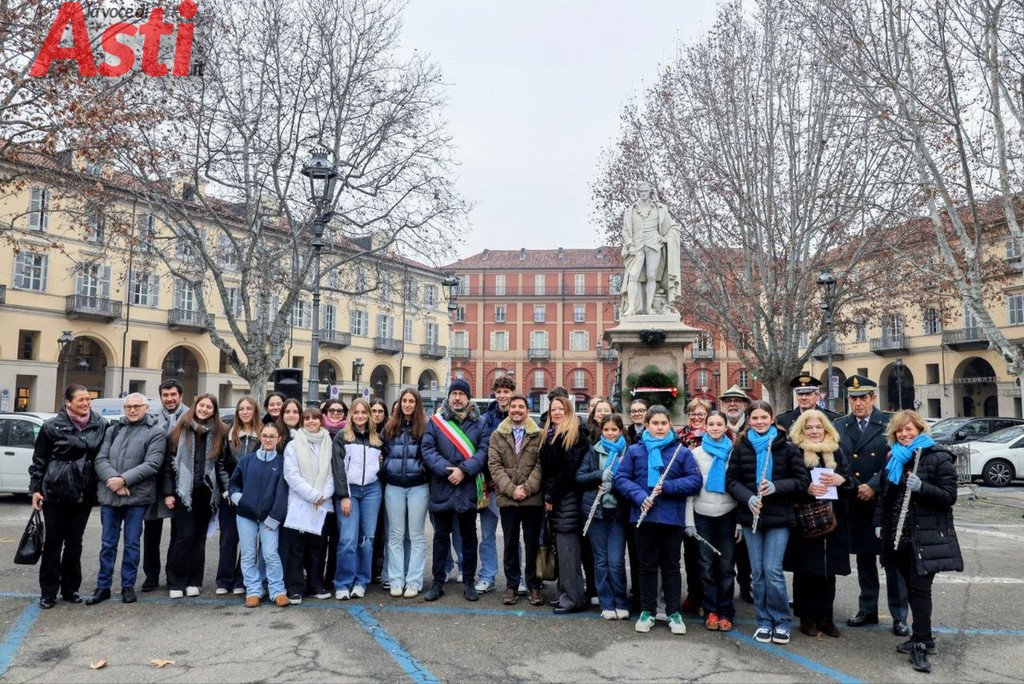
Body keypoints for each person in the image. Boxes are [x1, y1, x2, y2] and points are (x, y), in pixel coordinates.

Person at [875, 410, 963, 673]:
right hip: (897, 535)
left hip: (923, 537)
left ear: (920, 430)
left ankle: (921, 643)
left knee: (921, 589)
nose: (904, 434)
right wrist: (879, 523)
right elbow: (884, 495)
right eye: (900, 430)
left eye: (909, 429)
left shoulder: (938, 457)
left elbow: (949, 496)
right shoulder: (894, 458)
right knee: (912, 590)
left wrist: (922, 487)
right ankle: (922, 637)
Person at [726, 400, 809, 645]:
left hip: (779, 517)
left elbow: (802, 481)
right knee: (758, 573)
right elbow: (731, 481)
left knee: (772, 571)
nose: (759, 422)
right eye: (755, 418)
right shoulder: (741, 446)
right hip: (751, 515)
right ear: (749, 421)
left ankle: (781, 621)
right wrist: (748, 497)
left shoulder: (788, 447)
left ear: (772, 419)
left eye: (764, 417)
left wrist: (776, 487)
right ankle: (764, 620)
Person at [615, 405, 702, 635]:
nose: (660, 427)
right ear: (647, 425)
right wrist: (639, 496)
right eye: (655, 423)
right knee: (646, 567)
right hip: (643, 517)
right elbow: (621, 478)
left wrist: (669, 487)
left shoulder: (681, 451)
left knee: (671, 567)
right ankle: (648, 610)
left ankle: (673, 612)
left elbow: (695, 481)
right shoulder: (635, 451)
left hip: (671, 519)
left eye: (664, 423)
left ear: (670, 425)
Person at [835, 375, 909, 636]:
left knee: (893, 561)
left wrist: (873, 485)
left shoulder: (891, 422)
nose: (858, 403)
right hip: (856, 500)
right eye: (853, 398)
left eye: (863, 398)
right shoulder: (840, 425)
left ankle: (899, 616)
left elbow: (900, 458)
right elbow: (839, 461)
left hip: (885, 499)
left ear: (873, 398)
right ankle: (867, 609)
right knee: (865, 559)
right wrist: (856, 486)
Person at [29, 384, 107, 609]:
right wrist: (35, 489)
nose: (86, 403)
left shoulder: (100, 424)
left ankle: (71, 588)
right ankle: (48, 591)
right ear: (68, 403)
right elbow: (40, 459)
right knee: (54, 542)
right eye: (81, 400)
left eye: (88, 399)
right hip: (56, 491)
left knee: (75, 542)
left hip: (84, 491)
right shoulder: (52, 426)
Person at [85, 393, 166, 606]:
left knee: (132, 544)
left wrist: (123, 480)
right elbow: (100, 459)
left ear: (146, 408)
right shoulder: (113, 430)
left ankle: (128, 586)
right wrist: (113, 481)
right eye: (128, 406)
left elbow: (152, 464)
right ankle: (103, 586)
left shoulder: (156, 432)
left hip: (136, 499)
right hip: (110, 495)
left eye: (137, 406)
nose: (132, 410)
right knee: (107, 544)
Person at [784, 410, 853, 638]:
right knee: (805, 571)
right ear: (801, 430)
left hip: (833, 519)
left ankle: (826, 618)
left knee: (828, 572)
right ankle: (806, 617)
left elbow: (851, 480)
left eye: (818, 427)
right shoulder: (794, 451)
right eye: (809, 428)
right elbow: (787, 482)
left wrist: (842, 479)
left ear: (826, 429)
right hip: (805, 519)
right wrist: (806, 489)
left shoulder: (836, 450)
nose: (814, 431)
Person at [422, 379, 489, 601]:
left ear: (468, 398)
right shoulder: (436, 422)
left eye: (461, 394)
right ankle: (438, 582)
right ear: (449, 397)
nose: (457, 398)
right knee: (440, 537)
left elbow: (483, 451)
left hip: (467, 488)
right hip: (443, 486)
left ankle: (469, 581)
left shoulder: (480, 423)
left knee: (469, 536)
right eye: (454, 394)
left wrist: (464, 471)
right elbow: (428, 449)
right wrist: (447, 471)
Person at [162, 393, 231, 598]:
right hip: (183, 492)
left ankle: (194, 581)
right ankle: (176, 582)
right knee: (183, 537)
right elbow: (169, 465)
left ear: (214, 411)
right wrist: (168, 493)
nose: (204, 409)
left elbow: (221, 464)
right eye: (202, 405)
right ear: (195, 406)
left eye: (209, 407)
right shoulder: (179, 430)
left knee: (199, 539)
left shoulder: (220, 432)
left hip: (207, 494)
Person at [488, 395, 545, 607]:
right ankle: (512, 586)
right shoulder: (497, 435)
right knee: (510, 543)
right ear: (509, 410)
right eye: (514, 407)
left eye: (521, 406)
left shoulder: (539, 435)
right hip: (508, 499)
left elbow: (540, 465)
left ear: (527, 411)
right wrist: (512, 490)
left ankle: (534, 585)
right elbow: (494, 465)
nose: (517, 410)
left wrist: (526, 489)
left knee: (532, 545)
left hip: (532, 500)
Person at [228, 422, 291, 608]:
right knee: (248, 555)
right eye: (265, 436)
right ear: (260, 437)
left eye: (272, 436)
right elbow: (233, 483)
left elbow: (283, 493)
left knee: (270, 554)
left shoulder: (282, 462)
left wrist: (275, 517)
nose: (268, 440)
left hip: (269, 518)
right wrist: (240, 499)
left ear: (279, 439)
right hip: (245, 515)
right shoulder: (247, 460)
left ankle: (277, 590)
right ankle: (253, 590)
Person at [685, 410, 737, 632]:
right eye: (711, 424)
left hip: (728, 514)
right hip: (702, 515)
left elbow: (739, 487)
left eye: (719, 424)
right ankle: (710, 611)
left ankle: (725, 610)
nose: (715, 428)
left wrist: (740, 523)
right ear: (705, 427)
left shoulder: (734, 452)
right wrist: (689, 521)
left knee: (726, 566)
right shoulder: (696, 453)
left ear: (725, 427)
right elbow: (690, 490)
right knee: (706, 566)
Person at [576, 414, 630, 620]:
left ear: (620, 431)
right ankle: (606, 603)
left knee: (616, 561)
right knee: (601, 560)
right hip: (596, 512)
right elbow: (579, 477)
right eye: (606, 430)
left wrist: (614, 485)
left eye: (614, 430)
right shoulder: (593, 451)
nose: (610, 433)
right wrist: (599, 475)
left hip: (618, 513)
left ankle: (621, 601)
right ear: (601, 431)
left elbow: (633, 479)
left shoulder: (628, 452)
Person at [540, 395, 590, 614]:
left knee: (569, 551)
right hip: (557, 497)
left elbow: (569, 470)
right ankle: (565, 594)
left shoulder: (575, 435)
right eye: (553, 409)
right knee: (562, 550)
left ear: (569, 411)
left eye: (561, 409)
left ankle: (574, 598)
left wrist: (552, 495)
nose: (557, 413)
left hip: (567, 498)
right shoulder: (551, 434)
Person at [280, 407, 334, 603]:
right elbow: (291, 475)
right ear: (302, 422)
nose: (311, 421)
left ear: (321, 421)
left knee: (318, 548)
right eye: (307, 418)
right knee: (295, 549)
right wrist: (313, 495)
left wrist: (324, 495)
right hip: (300, 503)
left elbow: (333, 473)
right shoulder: (293, 445)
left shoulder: (329, 443)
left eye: (315, 418)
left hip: (322, 504)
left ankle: (315, 585)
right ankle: (295, 588)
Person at [332, 399, 382, 600]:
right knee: (348, 539)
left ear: (369, 415)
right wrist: (344, 495)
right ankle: (343, 583)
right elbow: (338, 468)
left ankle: (361, 581)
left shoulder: (377, 439)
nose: (360, 416)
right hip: (349, 491)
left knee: (367, 540)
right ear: (351, 415)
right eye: (356, 412)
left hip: (372, 491)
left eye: (364, 412)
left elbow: (383, 464)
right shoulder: (342, 437)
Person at [381, 389, 429, 598]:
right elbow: (382, 452)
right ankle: (396, 580)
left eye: (411, 401)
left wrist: (422, 470)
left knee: (416, 535)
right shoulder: (389, 427)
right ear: (399, 403)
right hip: (394, 486)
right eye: (404, 401)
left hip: (418, 486)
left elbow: (429, 454)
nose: (407, 404)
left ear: (417, 404)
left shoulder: (425, 428)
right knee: (395, 535)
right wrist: (386, 467)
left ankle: (414, 581)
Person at [142, 379, 188, 592]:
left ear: (181, 396)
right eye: (165, 395)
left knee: (178, 534)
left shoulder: (191, 416)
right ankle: (151, 576)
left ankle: (173, 574)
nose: (169, 399)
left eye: (173, 395)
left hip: (182, 483)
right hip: (154, 481)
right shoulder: (150, 417)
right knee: (152, 532)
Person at [474, 375, 517, 595]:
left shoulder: (519, 417)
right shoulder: (485, 420)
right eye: (499, 392)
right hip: (488, 487)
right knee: (487, 535)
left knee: (512, 535)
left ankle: (516, 578)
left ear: (513, 393)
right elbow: (481, 451)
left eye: (506, 392)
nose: (502, 396)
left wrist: (505, 480)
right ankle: (487, 576)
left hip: (510, 487)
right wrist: (487, 477)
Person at [217, 395, 261, 596]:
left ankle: (242, 579)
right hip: (230, 496)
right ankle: (224, 580)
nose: (245, 412)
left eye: (248, 408)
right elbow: (221, 464)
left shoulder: (262, 435)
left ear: (255, 411)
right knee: (228, 539)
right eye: (241, 409)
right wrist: (228, 490)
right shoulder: (229, 434)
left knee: (249, 542)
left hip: (252, 497)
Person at [621, 181, 682, 316]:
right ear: (638, 193)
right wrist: (630, 244)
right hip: (636, 246)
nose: (644, 194)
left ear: (650, 193)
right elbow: (625, 231)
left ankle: (649, 308)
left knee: (652, 275)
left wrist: (666, 238)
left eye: (646, 191)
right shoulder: (630, 211)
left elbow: (673, 227)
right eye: (641, 191)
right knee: (633, 275)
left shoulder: (660, 209)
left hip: (654, 244)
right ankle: (631, 308)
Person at [719, 384, 753, 604]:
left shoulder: (751, 429)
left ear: (745, 405)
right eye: (728, 401)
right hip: (720, 497)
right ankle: (724, 590)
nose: (732, 404)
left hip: (744, 494)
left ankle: (746, 586)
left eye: (737, 401)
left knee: (746, 548)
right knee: (725, 549)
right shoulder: (716, 427)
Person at [677, 397, 710, 614]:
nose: (697, 417)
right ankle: (693, 593)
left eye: (701, 413)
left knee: (704, 552)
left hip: (708, 496)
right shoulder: (680, 437)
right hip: (685, 496)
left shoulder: (715, 434)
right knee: (689, 551)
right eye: (693, 413)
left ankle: (708, 596)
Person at [318, 399, 347, 591]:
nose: (335, 413)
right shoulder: (319, 433)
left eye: (339, 410)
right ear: (325, 413)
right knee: (320, 540)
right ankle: (316, 579)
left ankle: (332, 578)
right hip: (321, 494)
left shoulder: (348, 433)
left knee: (338, 539)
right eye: (331, 410)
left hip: (342, 492)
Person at [369, 398, 390, 587]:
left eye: (380, 411)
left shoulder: (388, 433)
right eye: (373, 411)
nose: (376, 414)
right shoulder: (363, 432)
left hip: (384, 484)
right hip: (367, 485)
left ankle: (378, 566)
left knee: (381, 529)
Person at [776, 374, 841, 431]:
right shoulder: (783, 420)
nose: (803, 398)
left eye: (808, 394)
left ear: (817, 396)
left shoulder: (833, 419)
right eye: (800, 394)